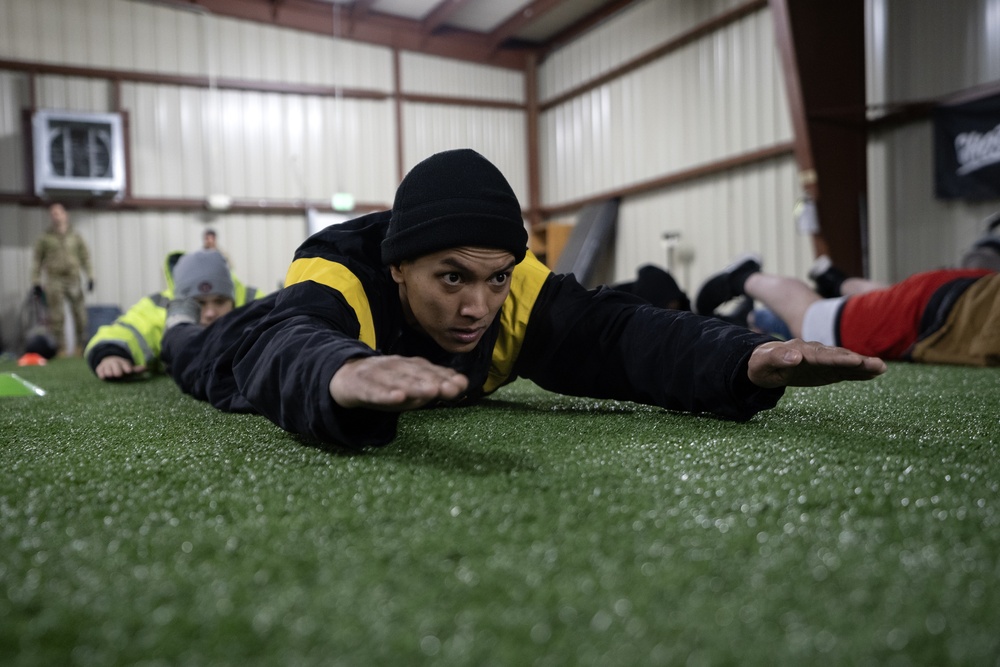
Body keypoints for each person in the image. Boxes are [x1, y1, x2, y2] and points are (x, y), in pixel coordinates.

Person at [161, 149, 885, 449]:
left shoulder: (519, 292)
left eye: (496, 276)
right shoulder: (339, 277)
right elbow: (284, 344)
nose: (480, 305)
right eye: (452, 278)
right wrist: (337, 373)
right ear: (399, 270)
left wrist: (746, 356)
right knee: (194, 351)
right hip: (243, 338)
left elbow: (621, 335)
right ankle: (172, 322)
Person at [695, 234, 1000, 366]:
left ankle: (836, 281)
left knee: (891, 295)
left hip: (961, 290)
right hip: (939, 308)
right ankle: (744, 275)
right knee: (809, 317)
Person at [85, 250, 265, 380]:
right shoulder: (158, 309)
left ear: (234, 300)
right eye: (198, 303)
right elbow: (126, 330)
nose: (210, 313)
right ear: (179, 302)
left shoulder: (254, 303)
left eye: (220, 301)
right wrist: (110, 354)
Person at [30, 202, 95, 356]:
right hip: (54, 280)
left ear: (66, 215)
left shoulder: (76, 236)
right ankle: (61, 349)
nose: (56, 216)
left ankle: (81, 346)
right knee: (56, 317)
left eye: (58, 213)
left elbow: (85, 257)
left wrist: (91, 276)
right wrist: (36, 282)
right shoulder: (45, 238)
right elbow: (37, 261)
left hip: (73, 278)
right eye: (52, 213)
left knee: (80, 314)